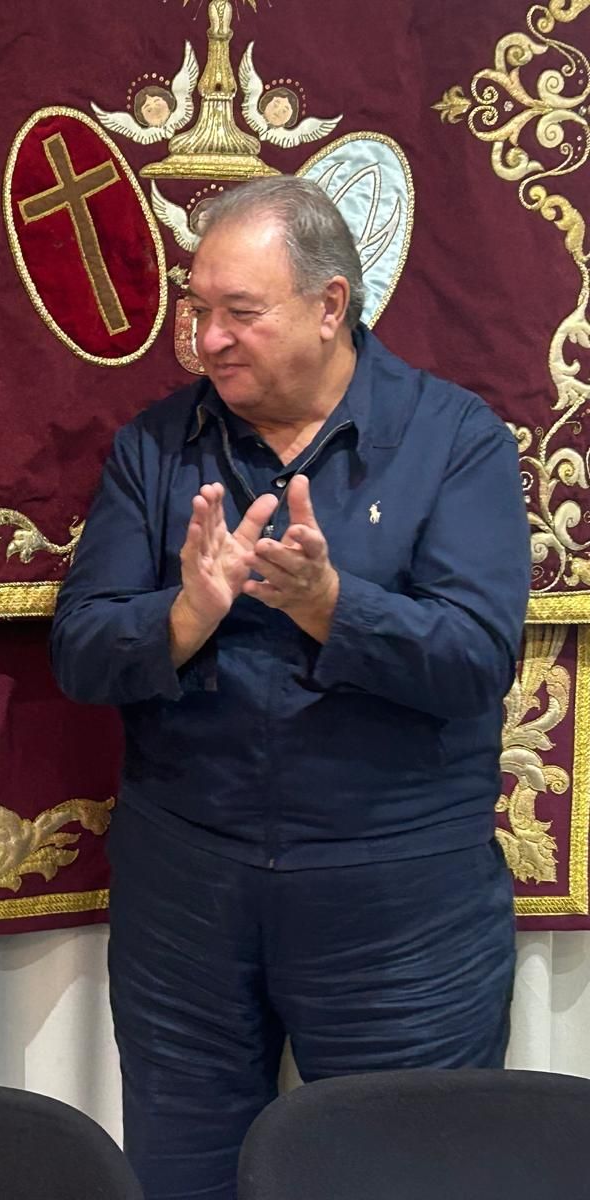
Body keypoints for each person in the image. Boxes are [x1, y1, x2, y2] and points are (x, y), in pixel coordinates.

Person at [48, 176, 529, 1200]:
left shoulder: (456, 442)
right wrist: (185, 615)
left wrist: (328, 605)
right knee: (184, 1180)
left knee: (409, 1179)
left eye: (238, 313)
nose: (207, 338)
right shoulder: (153, 447)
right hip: (189, 897)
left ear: (328, 305)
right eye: (195, 308)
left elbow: (475, 658)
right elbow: (82, 653)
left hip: (399, 904)